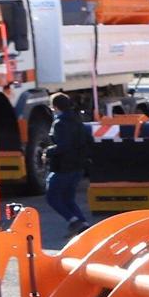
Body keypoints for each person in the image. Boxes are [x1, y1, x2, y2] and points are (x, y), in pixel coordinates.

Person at [42, 93, 94, 236]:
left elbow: (64, 146)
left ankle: (73, 220)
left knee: (52, 197)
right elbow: (89, 140)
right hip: (78, 166)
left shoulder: (59, 124)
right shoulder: (78, 120)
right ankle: (83, 225)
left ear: (55, 107)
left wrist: (48, 152)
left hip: (63, 167)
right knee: (68, 198)